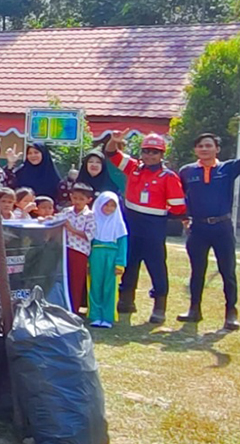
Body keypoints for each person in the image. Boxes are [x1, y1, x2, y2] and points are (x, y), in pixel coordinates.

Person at [105, 132, 186, 323]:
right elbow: (111, 154)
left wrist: (162, 217)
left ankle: (159, 306)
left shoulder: (169, 177)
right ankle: (126, 300)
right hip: (131, 223)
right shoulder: (133, 168)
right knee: (129, 262)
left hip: (154, 226)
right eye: (146, 151)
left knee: (156, 266)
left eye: (154, 152)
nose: (150, 156)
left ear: (161, 155)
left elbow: (178, 207)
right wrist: (113, 141)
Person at [177, 133, 240, 329]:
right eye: (200, 146)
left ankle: (231, 312)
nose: (204, 149)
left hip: (222, 226)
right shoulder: (186, 171)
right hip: (198, 228)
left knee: (227, 270)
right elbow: (178, 197)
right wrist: (184, 218)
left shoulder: (228, 168)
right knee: (197, 270)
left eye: (208, 145)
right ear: (195, 150)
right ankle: (194, 310)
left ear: (217, 149)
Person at [87, 192, 128, 329]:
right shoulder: (93, 221)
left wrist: (120, 263)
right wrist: (87, 261)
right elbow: (88, 241)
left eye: (112, 206)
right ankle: (95, 315)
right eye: (106, 205)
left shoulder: (119, 224)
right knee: (95, 285)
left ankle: (107, 316)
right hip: (96, 255)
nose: (109, 209)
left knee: (109, 286)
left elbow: (123, 245)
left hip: (112, 255)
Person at [57, 182, 95, 314]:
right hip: (64, 249)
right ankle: (63, 307)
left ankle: (74, 309)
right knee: (63, 279)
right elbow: (56, 223)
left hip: (80, 251)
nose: (77, 201)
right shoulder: (66, 212)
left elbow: (89, 235)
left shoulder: (90, 215)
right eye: (75, 198)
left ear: (89, 200)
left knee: (76, 281)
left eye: (81, 199)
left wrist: (71, 229)